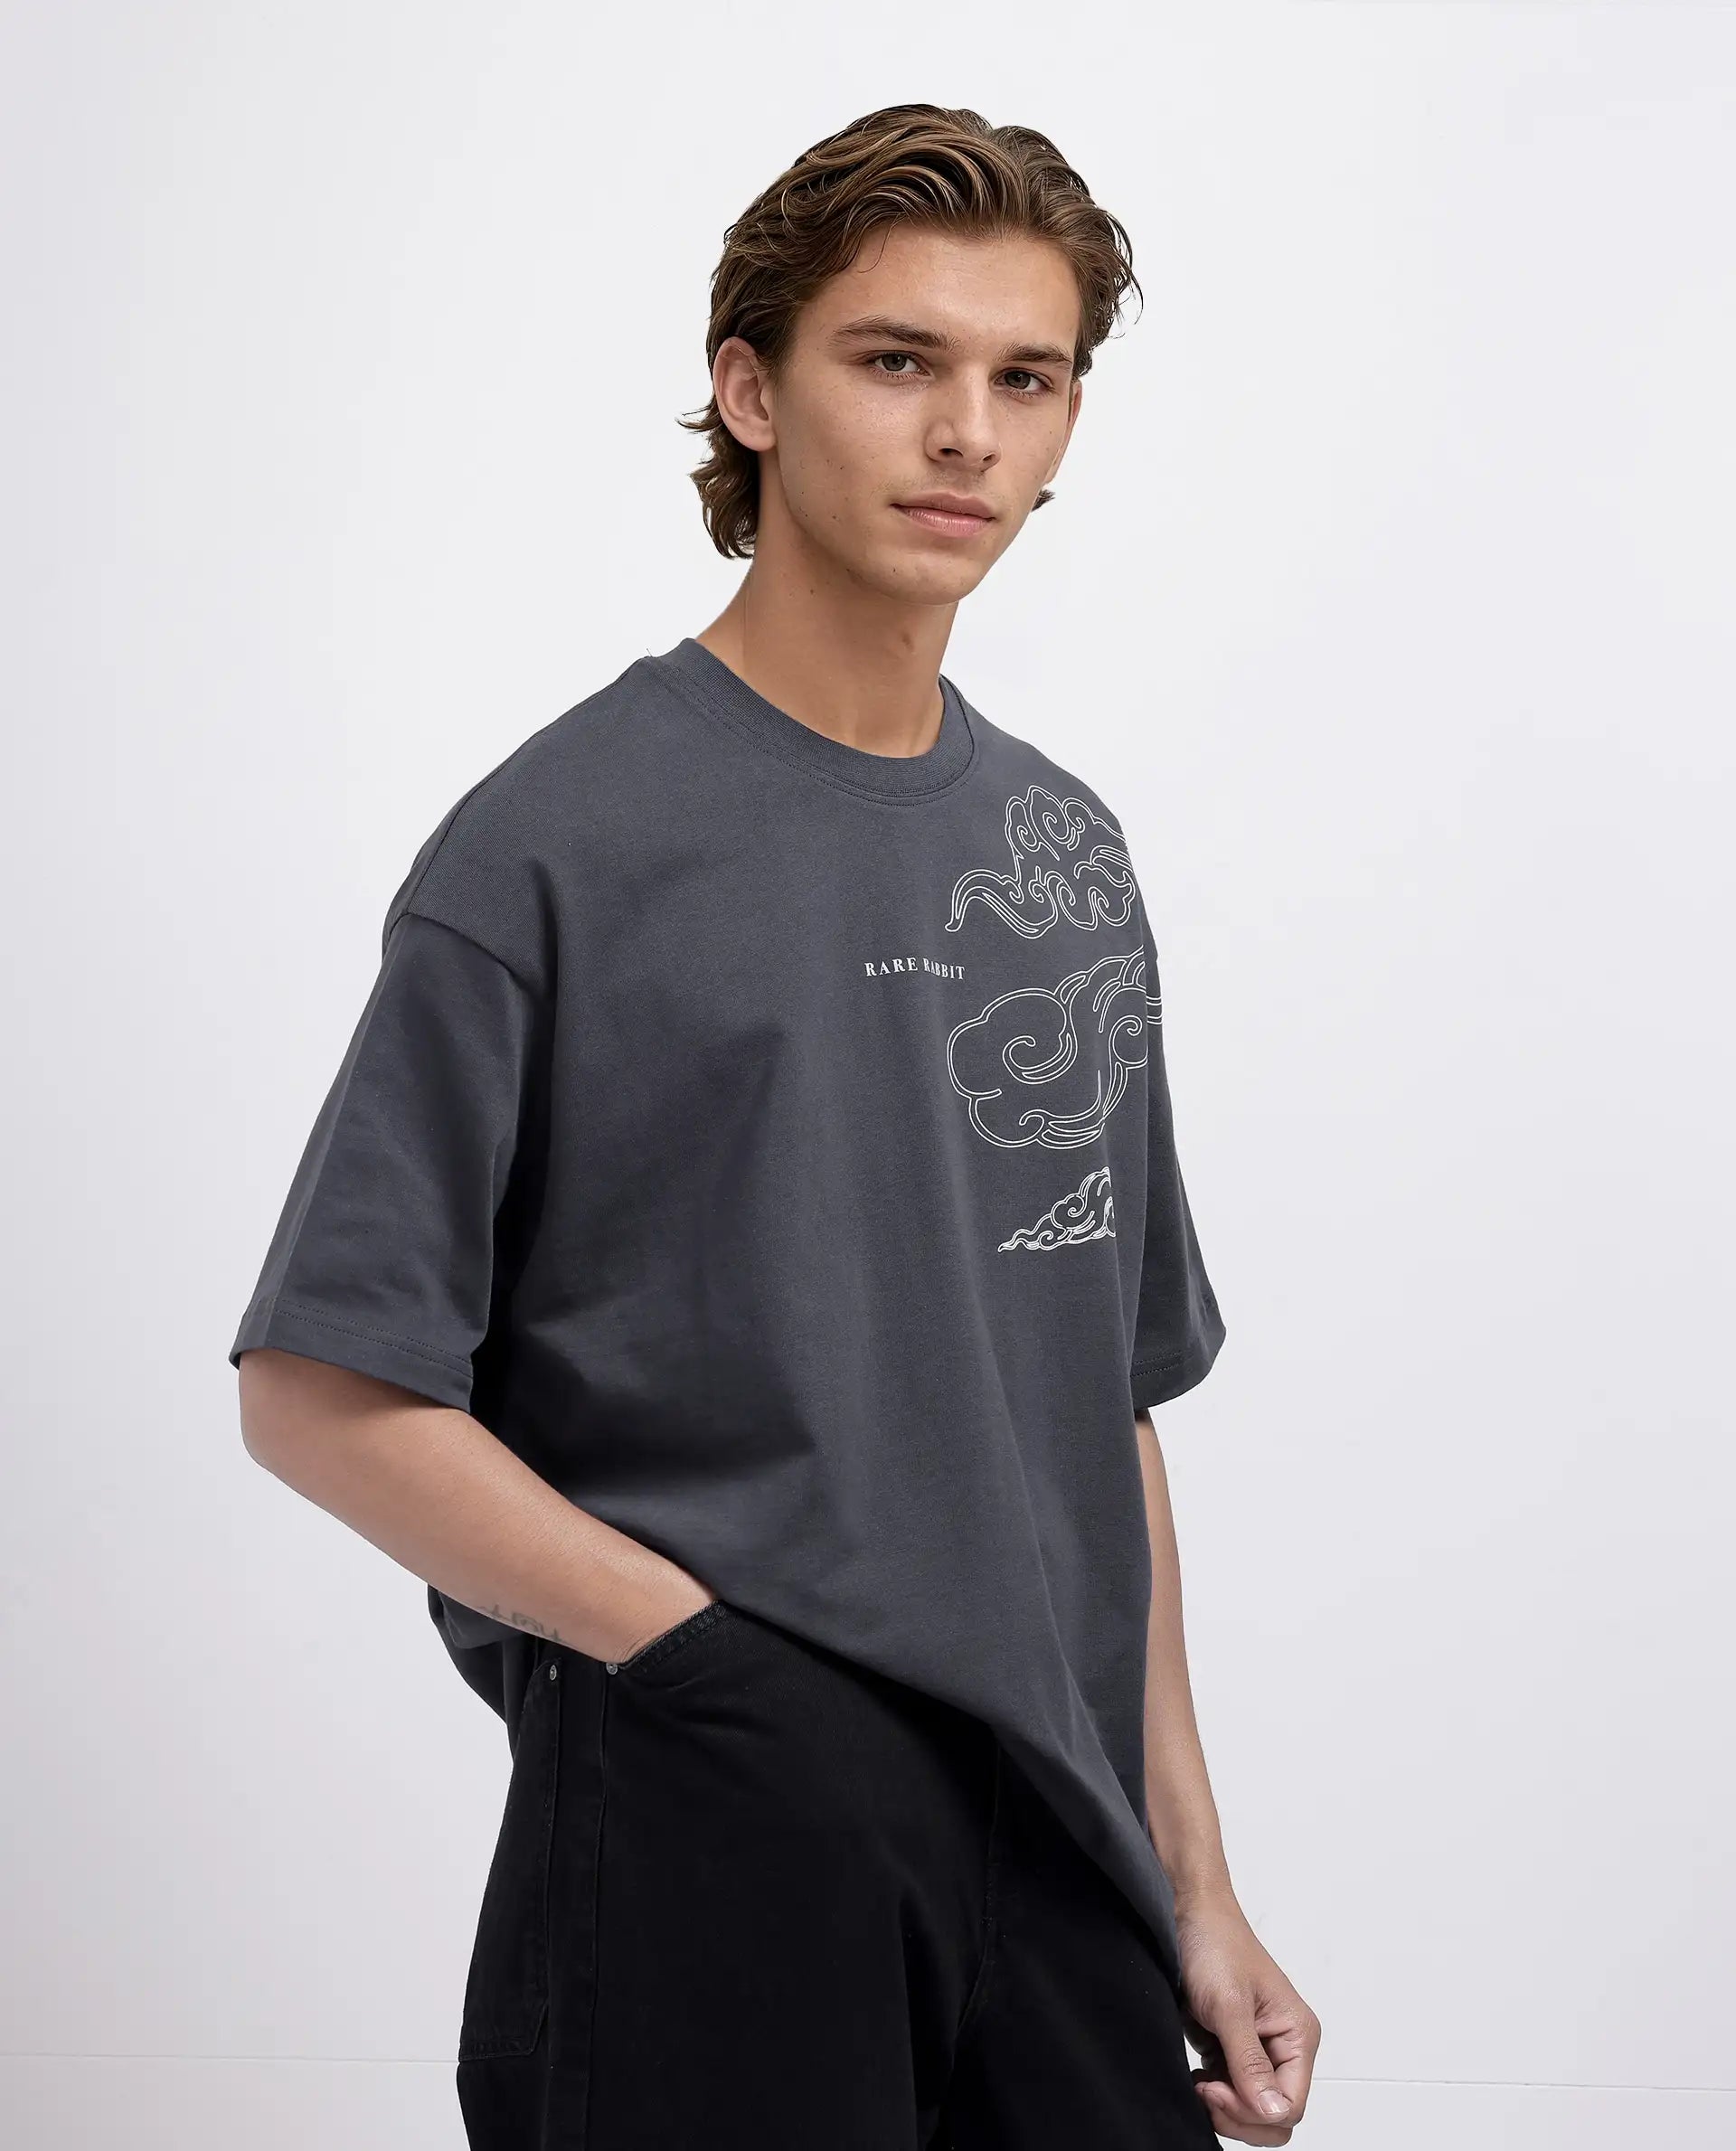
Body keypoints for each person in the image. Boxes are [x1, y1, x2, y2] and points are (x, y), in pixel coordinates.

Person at [230, 100, 1320, 2149]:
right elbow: (318, 1389)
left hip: (1058, 1840)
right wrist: (715, 1669)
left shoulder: (1063, 855)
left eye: (1027, 378)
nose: (966, 434)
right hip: (713, 1810)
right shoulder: (556, 842)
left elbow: (1098, 1403)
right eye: (897, 361)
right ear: (750, 390)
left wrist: (1197, 1877)